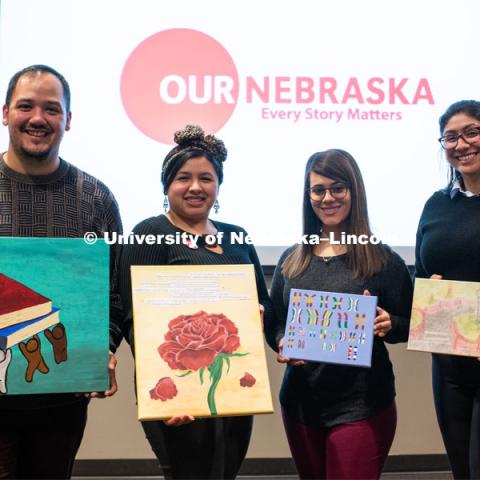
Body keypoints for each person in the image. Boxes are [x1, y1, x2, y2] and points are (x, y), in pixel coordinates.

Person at [119, 124, 272, 479]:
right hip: (177, 387)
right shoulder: (149, 234)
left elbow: (262, 301)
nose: (195, 187)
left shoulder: (237, 235)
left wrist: (261, 317)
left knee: (226, 472)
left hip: (233, 386)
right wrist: (167, 389)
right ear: (166, 186)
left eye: (206, 178)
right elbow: (135, 322)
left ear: (218, 186)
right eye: (183, 178)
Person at [0, 64, 123, 479]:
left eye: (52, 109)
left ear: (68, 119)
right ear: (5, 113)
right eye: (26, 106)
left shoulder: (97, 199)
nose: (38, 118)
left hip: (63, 398)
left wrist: (102, 348)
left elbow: (114, 294)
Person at [265, 149, 413, 479]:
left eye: (338, 188)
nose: (327, 197)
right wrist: (281, 340)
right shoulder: (293, 259)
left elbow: (412, 323)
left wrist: (390, 323)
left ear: (353, 191)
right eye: (318, 190)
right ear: (309, 196)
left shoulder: (382, 259)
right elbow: (275, 320)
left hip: (361, 406)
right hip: (301, 405)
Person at [415, 100, 480, 479]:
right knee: (460, 469)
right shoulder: (436, 204)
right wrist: (427, 290)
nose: (461, 144)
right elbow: (423, 275)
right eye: (450, 137)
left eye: (471, 132)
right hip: (449, 362)